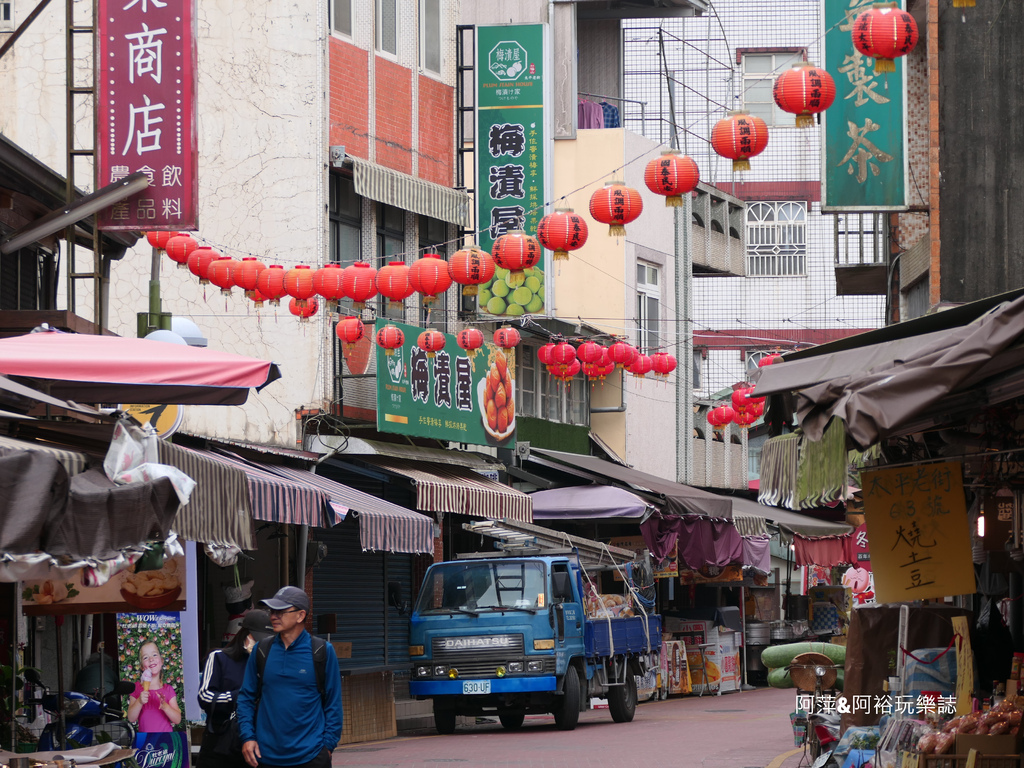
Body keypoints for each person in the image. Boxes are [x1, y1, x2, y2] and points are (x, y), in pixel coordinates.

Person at [236, 586, 342, 768]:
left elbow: (333, 703)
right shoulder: (261, 651)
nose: (273, 616)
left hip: (312, 755)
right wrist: (247, 737)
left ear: (300, 616)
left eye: (281, 611)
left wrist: (327, 747)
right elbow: (246, 698)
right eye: (272, 611)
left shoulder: (322, 651)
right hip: (265, 755)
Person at [196, 610, 274, 768]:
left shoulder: (269, 664)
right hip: (219, 744)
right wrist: (240, 696)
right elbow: (205, 697)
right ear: (244, 635)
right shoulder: (219, 657)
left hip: (256, 745)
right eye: (257, 639)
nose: (261, 645)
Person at [126, 639, 182, 732]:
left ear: (162, 661)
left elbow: (177, 719)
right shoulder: (137, 688)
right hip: (146, 741)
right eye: (145, 657)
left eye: (154, 655)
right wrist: (139, 701)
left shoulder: (168, 689)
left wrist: (165, 706)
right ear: (142, 666)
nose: (151, 659)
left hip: (165, 739)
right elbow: (131, 718)